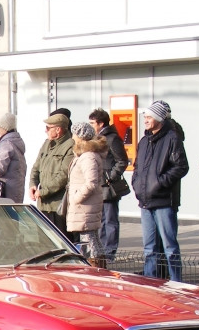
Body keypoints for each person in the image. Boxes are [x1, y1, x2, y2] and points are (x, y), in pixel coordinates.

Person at [132, 100, 190, 282]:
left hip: (164, 201)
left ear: (158, 118)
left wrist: (159, 182)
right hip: (145, 201)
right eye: (145, 116)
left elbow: (181, 167)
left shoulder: (172, 138)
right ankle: (151, 282)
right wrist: (137, 184)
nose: (145, 120)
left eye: (149, 117)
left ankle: (176, 282)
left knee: (169, 247)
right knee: (149, 248)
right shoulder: (144, 141)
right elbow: (137, 167)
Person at [88, 108, 130, 261]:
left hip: (108, 186)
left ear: (101, 123)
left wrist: (110, 177)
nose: (91, 126)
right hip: (99, 185)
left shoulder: (112, 138)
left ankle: (109, 252)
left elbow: (122, 161)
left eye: (92, 123)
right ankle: (101, 252)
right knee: (101, 220)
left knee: (110, 220)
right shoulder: (95, 138)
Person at [66, 122, 107, 266]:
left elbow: (91, 183)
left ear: (80, 136)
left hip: (85, 206)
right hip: (84, 206)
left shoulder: (88, 156)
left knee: (89, 241)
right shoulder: (83, 155)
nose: (72, 137)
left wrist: (76, 198)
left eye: (74, 134)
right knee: (91, 240)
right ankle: (99, 268)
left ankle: (96, 269)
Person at [28, 112, 75, 237]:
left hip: (58, 206)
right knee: (44, 240)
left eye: (48, 128)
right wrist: (33, 184)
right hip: (43, 205)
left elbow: (63, 176)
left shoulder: (70, 146)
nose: (46, 131)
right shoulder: (46, 144)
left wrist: (43, 192)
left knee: (60, 240)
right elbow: (36, 167)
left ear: (58, 130)